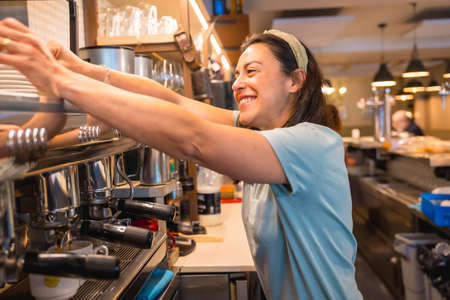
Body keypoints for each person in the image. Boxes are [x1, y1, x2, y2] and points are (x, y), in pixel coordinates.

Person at [0, 18, 362, 299]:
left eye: (251, 71)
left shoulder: (313, 144)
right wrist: (80, 68)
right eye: (237, 74)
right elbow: (174, 103)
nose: (237, 84)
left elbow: (194, 140)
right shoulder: (262, 134)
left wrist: (59, 81)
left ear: (294, 81)